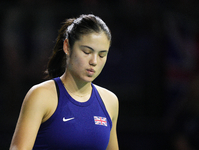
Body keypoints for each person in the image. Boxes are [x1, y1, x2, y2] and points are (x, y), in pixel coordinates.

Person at [9, 14, 119, 150]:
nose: (94, 61)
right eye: (86, 52)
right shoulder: (41, 95)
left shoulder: (110, 101)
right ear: (67, 46)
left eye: (102, 55)